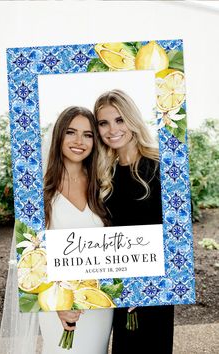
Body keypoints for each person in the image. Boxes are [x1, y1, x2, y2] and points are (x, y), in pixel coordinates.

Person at [94, 89, 174, 354]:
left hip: (155, 290)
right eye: (103, 123)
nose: (112, 129)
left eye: (119, 119)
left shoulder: (161, 166)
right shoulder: (105, 175)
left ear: (132, 120)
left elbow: (176, 234)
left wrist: (145, 286)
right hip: (118, 287)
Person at [39, 106, 113, 354]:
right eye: (71, 132)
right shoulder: (39, 188)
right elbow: (30, 255)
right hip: (56, 302)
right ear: (59, 135)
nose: (79, 141)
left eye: (88, 134)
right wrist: (57, 302)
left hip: (98, 302)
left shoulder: (103, 184)